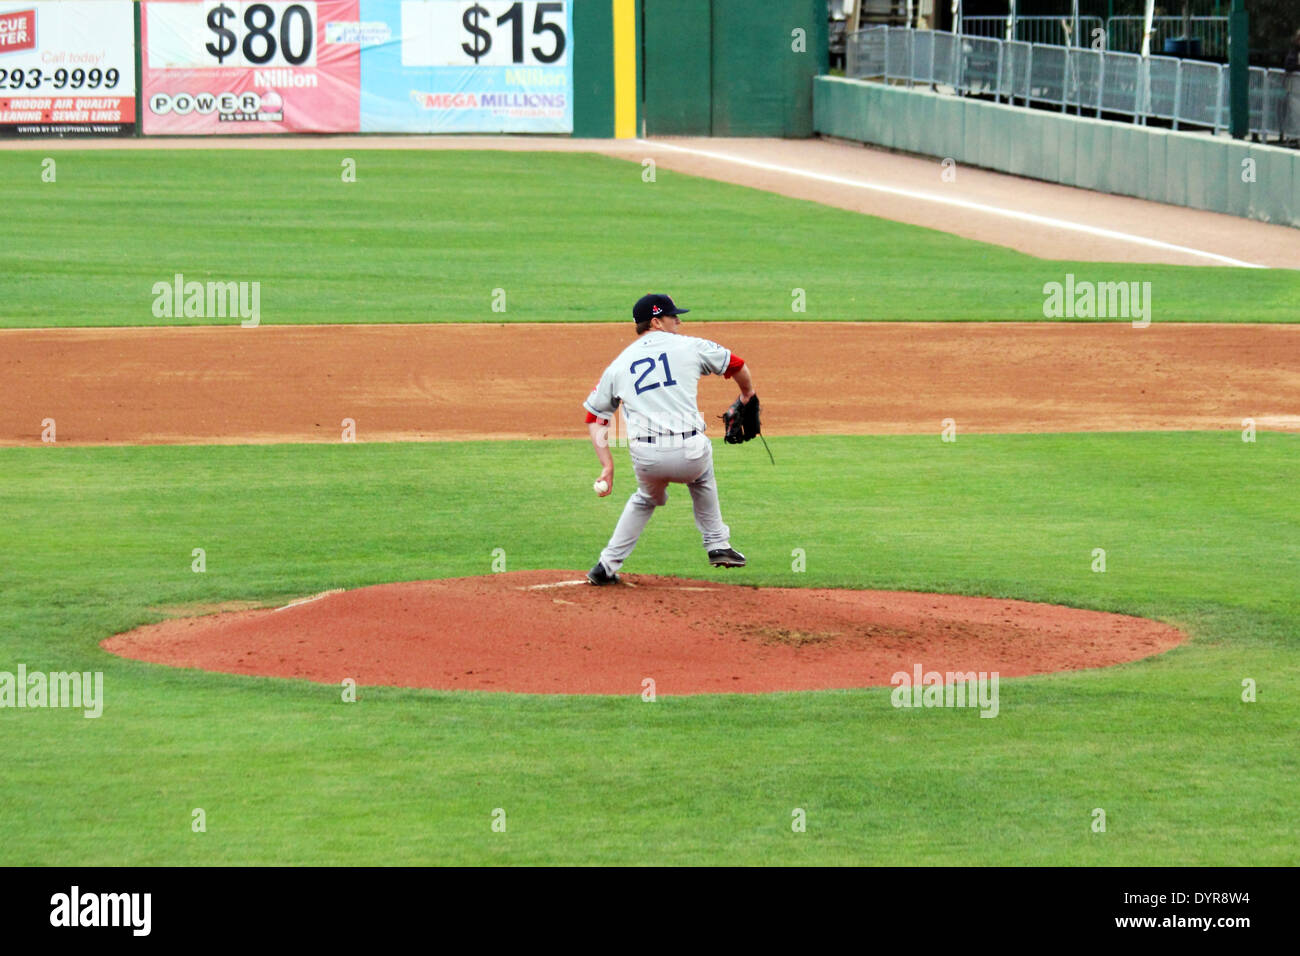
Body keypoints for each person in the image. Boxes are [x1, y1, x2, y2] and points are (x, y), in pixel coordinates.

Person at [582, 293, 756, 585]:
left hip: (647, 457)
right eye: (673, 316)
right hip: (690, 452)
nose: (679, 320)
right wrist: (747, 395)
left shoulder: (619, 364)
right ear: (656, 322)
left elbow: (595, 417)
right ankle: (717, 545)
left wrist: (607, 466)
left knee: (646, 498)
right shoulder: (691, 345)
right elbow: (736, 363)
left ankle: (605, 566)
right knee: (702, 477)